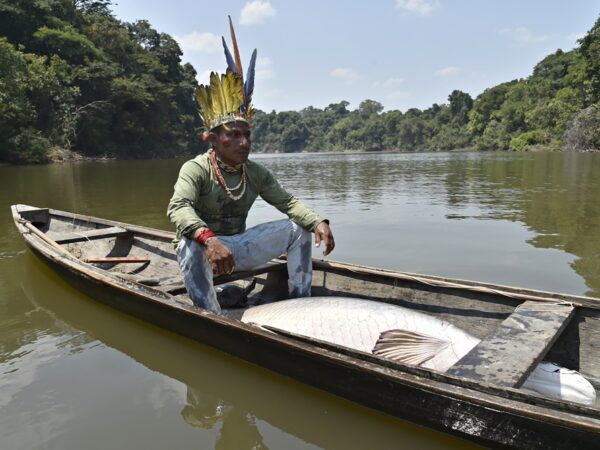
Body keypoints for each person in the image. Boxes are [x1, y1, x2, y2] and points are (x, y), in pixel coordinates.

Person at [167, 18, 334, 313]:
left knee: (299, 228)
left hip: (236, 249)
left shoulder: (254, 173)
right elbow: (178, 208)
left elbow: (288, 202)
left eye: (247, 135)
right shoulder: (196, 169)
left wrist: (318, 220)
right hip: (203, 249)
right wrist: (209, 240)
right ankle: (211, 315)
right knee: (190, 245)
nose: (244, 142)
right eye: (234, 135)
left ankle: (301, 304)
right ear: (213, 139)